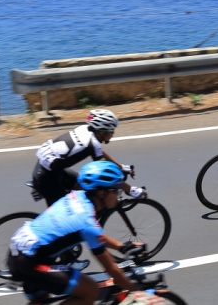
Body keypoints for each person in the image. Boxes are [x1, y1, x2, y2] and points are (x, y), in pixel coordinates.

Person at [8, 160, 143, 305]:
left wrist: (122, 247)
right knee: (90, 291)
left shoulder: (77, 197)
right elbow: (110, 268)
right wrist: (138, 292)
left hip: (20, 251)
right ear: (102, 193)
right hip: (30, 261)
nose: (118, 195)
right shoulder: (87, 221)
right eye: (116, 190)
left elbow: (97, 236)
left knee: (43, 300)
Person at [32, 109, 146, 206]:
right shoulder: (92, 144)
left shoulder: (85, 129)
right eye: (111, 130)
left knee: (85, 187)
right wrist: (130, 190)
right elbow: (106, 173)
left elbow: (99, 153)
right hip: (46, 177)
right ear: (102, 131)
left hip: (51, 168)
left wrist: (120, 167)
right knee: (63, 217)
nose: (113, 133)